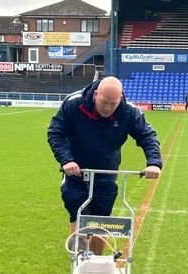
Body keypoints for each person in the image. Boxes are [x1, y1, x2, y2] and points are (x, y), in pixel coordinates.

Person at [47, 76, 162, 254]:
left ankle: (97, 268)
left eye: (113, 104)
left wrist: (153, 163)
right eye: (104, 102)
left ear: (121, 98)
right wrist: (67, 160)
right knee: (79, 214)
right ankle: (79, 259)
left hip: (106, 175)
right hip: (76, 174)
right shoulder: (73, 104)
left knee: (102, 222)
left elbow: (147, 136)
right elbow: (56, 132)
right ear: (95, 94)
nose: (107, 108)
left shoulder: (128, 112)